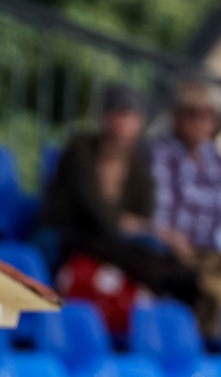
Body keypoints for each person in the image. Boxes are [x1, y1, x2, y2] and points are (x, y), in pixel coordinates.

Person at [39, 83, 199, 304]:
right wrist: (144, 227)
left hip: (109, 240)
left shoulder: (139, 163)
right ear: (104, 117)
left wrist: (139, 226)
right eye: (120, 114)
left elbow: (143, 213)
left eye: (132, 115)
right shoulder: (80, 150)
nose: (124, 122)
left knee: (162, 257)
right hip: (68, 236)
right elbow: (97, 213)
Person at [150, 80, 221, 343]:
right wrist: (171, 239)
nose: (201, 122)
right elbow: (157, 216)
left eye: (209, 115)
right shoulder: (161, 157)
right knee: (219, 288)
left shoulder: (217, 160)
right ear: (176, 116)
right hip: (179, 251)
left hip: (219, 252)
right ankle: (213, 352)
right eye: (193, 114)